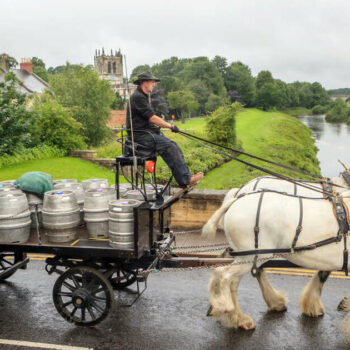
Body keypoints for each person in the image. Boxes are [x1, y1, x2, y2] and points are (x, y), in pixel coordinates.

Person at [126, 71, 203, 188]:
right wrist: (170, 126)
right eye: (152, 82)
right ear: (144, 83)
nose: (154, 85)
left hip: (146, 134)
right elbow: (151, 117)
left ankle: (187, 177)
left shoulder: (142, 96)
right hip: (140, 137)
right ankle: (186, 180)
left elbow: (146, 119)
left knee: (173, 145)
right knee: (170, 146)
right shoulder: (138, 97)